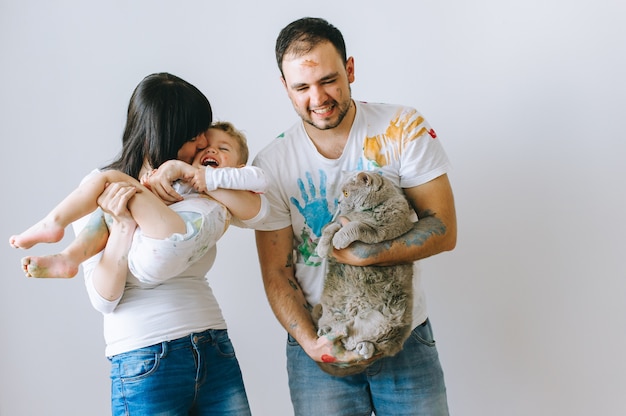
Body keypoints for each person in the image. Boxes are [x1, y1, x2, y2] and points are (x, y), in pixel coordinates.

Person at [16, 72, 262, 415]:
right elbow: (104, 298)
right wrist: (123, 225)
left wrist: (190, 173)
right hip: (145, 358)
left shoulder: (195, 186)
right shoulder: (97, 192)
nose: (204, 141)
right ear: (167, 135)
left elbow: (255, 212)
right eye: (195, 135)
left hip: (212, 343)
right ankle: (54, 233)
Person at [253, 17, 457, 415]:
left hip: (403, 334)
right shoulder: (272, 163)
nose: (317, 97)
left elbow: (443, 228)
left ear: (349, 69)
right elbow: (277, 271)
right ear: (285, 87)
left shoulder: (402, 128)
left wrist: (365, 253)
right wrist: (312, 344)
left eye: (328, 80)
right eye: (301, 87)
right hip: (322, 338)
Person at [10, 121, 267, 280]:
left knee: (112, 178)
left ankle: (54, 222)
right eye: (202, 148)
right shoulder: (180, 179)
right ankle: (69, 258)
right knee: (106, 214)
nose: (210, 150)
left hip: (177, 234)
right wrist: (149, 187)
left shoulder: (238, 180)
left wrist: (206, 178)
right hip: (150, 242)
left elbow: (259, 180)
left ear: (239, 164)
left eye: (223, 149)